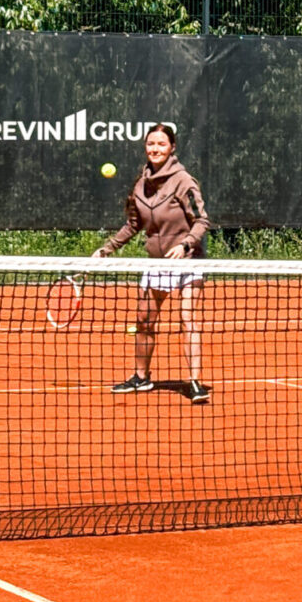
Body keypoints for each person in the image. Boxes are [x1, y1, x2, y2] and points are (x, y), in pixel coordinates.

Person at [92, 123, 211, 404]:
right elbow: (133, 225)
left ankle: (194, 382)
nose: (155, 149)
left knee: (187, 319)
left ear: (172, 148)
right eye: (150, 144)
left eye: (161, 144)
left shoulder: (184, 181)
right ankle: (141, 377)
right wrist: (106, 249)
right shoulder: (141, 185)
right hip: (157, 262)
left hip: (187, 260)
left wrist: (185, 245)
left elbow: (202, 220)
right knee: (144, 320)